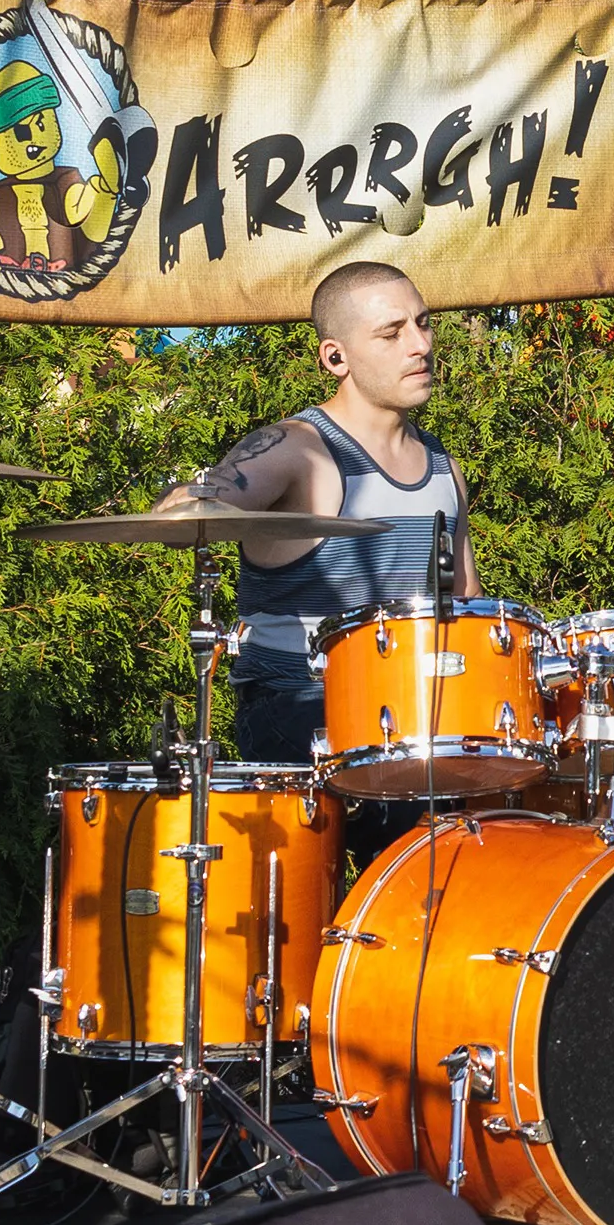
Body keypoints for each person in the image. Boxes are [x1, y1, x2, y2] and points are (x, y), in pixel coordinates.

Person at [187, 259, 477, 860]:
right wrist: (191, 500)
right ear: (335, 358)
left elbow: (467, 608)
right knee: (416, 828)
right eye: (392, 333)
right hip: (300, 710)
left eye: (423, 324)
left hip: (411, 717)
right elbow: (191, 508)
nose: (421, 345)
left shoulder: (446, 469)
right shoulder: (300, 450)